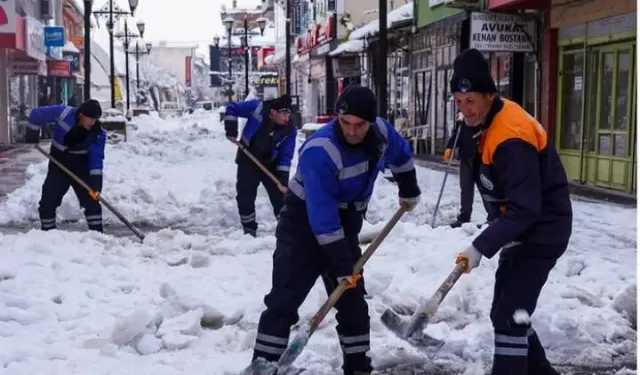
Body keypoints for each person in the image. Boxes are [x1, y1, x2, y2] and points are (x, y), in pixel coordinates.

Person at [249, 85, 421, 375]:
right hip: (302, 227)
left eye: (360, 125)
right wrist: (342, 264)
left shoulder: (380, 133)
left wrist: (408, 186)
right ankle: (263, 366)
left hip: (343, 226)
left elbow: (401, 153)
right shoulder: (320, 150)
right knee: (284, 302)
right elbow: (322, 216)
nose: (352, 131)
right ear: (337, 118)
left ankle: (358, 368)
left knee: (353, 304)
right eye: (345, 123)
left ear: (371, 121)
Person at [451, 49, 572, 375]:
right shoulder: (485, 121)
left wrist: (481, 247)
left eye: (470, 100)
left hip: (543, 230)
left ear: (489, 95)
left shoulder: (511, 134)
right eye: (458, 102)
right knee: (505, 315)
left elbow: (526, 207)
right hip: (519, 229)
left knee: (510, 316)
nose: (464, 109)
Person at [24, 99, 106, 233]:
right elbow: (36, 114)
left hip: (81, 167)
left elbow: (96, 161)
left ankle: (97, 235)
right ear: (81, 114)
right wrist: (32, 134)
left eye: (96, 119)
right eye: (90, 118)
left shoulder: (98, 134)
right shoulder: (64, 113)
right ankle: (48, 233)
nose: (93, 122)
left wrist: (96, 185)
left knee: (91, 202)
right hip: (58, 163)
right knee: (48, 201)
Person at [224, 94, 296, 237]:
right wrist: (231, 129)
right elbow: (231, 108)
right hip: (248, 157)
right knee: (245, 195)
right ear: (273, 112)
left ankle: (286, 229)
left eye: (289, 115)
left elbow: (286, 156)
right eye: (284, 114)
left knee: (280, 198)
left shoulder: (289, 130)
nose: (287, 118)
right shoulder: (257, 108)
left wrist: (283, 178)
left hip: (270, 163)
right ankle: (249, 229)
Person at [444, 111, 491, 228]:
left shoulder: (483, 112)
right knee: (465, 187)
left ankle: (493, 217)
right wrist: (450, 146)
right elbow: (457, 133)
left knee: (485, 187)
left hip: (481, 156)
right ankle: (464, 217)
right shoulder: (462, 116)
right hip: (466, 156)